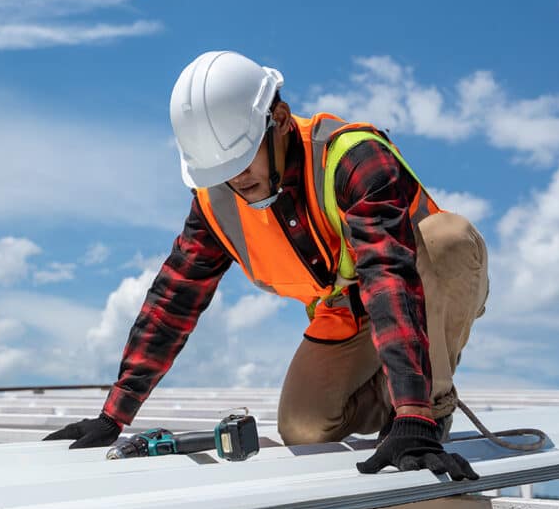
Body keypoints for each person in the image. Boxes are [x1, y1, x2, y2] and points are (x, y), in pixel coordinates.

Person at [45, 51, 488, 481]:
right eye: (222, 171)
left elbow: (390, 277)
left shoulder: (353, 157)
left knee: (444, 239)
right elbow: (172, 302)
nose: (236, 180)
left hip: (420, 285)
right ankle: (400, 394)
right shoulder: (217, 202)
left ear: (277, 121)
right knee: (304, 427)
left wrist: (414, 415)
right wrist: (113, 415)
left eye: (241, 160)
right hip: (347, 312)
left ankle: (429, 404)